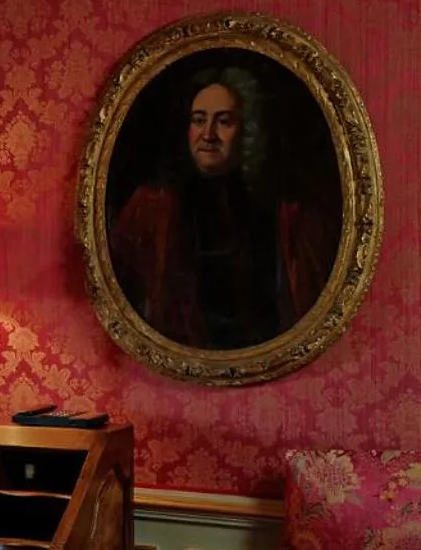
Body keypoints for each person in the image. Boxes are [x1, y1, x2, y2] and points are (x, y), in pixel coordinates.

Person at [108, 65, 337, 350]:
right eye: (199, 120)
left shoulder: (281, 211)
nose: (208, 134)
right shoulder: (151, 206)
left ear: (248, 130)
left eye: (224, 121)